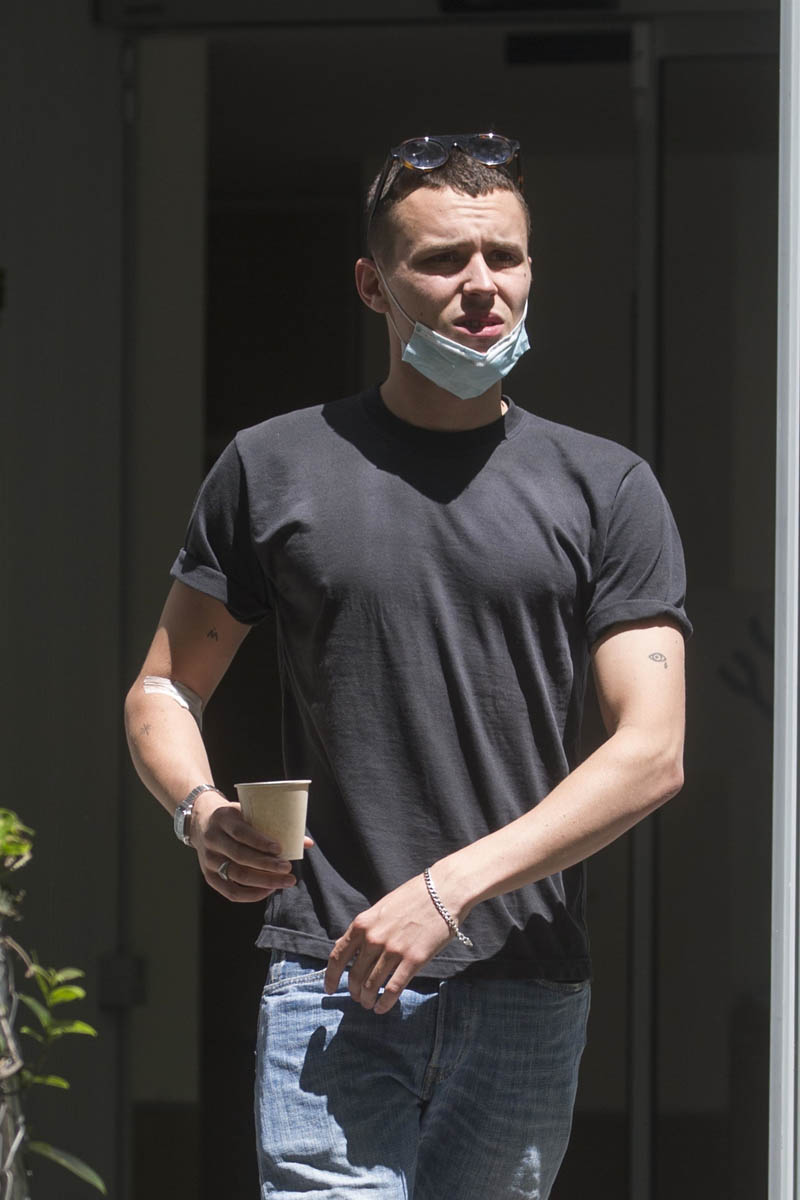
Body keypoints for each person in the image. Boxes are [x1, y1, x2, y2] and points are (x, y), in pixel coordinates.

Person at [125, 131, 690, 1200]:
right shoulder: (272, 466)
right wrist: (198, 811)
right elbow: (163, 687)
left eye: (503, 256)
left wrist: (447, 889)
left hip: (523, 975)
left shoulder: (606, 487)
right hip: (328, 974)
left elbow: (651, 753)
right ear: (371, 285)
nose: (481, 285)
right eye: (440, 260)